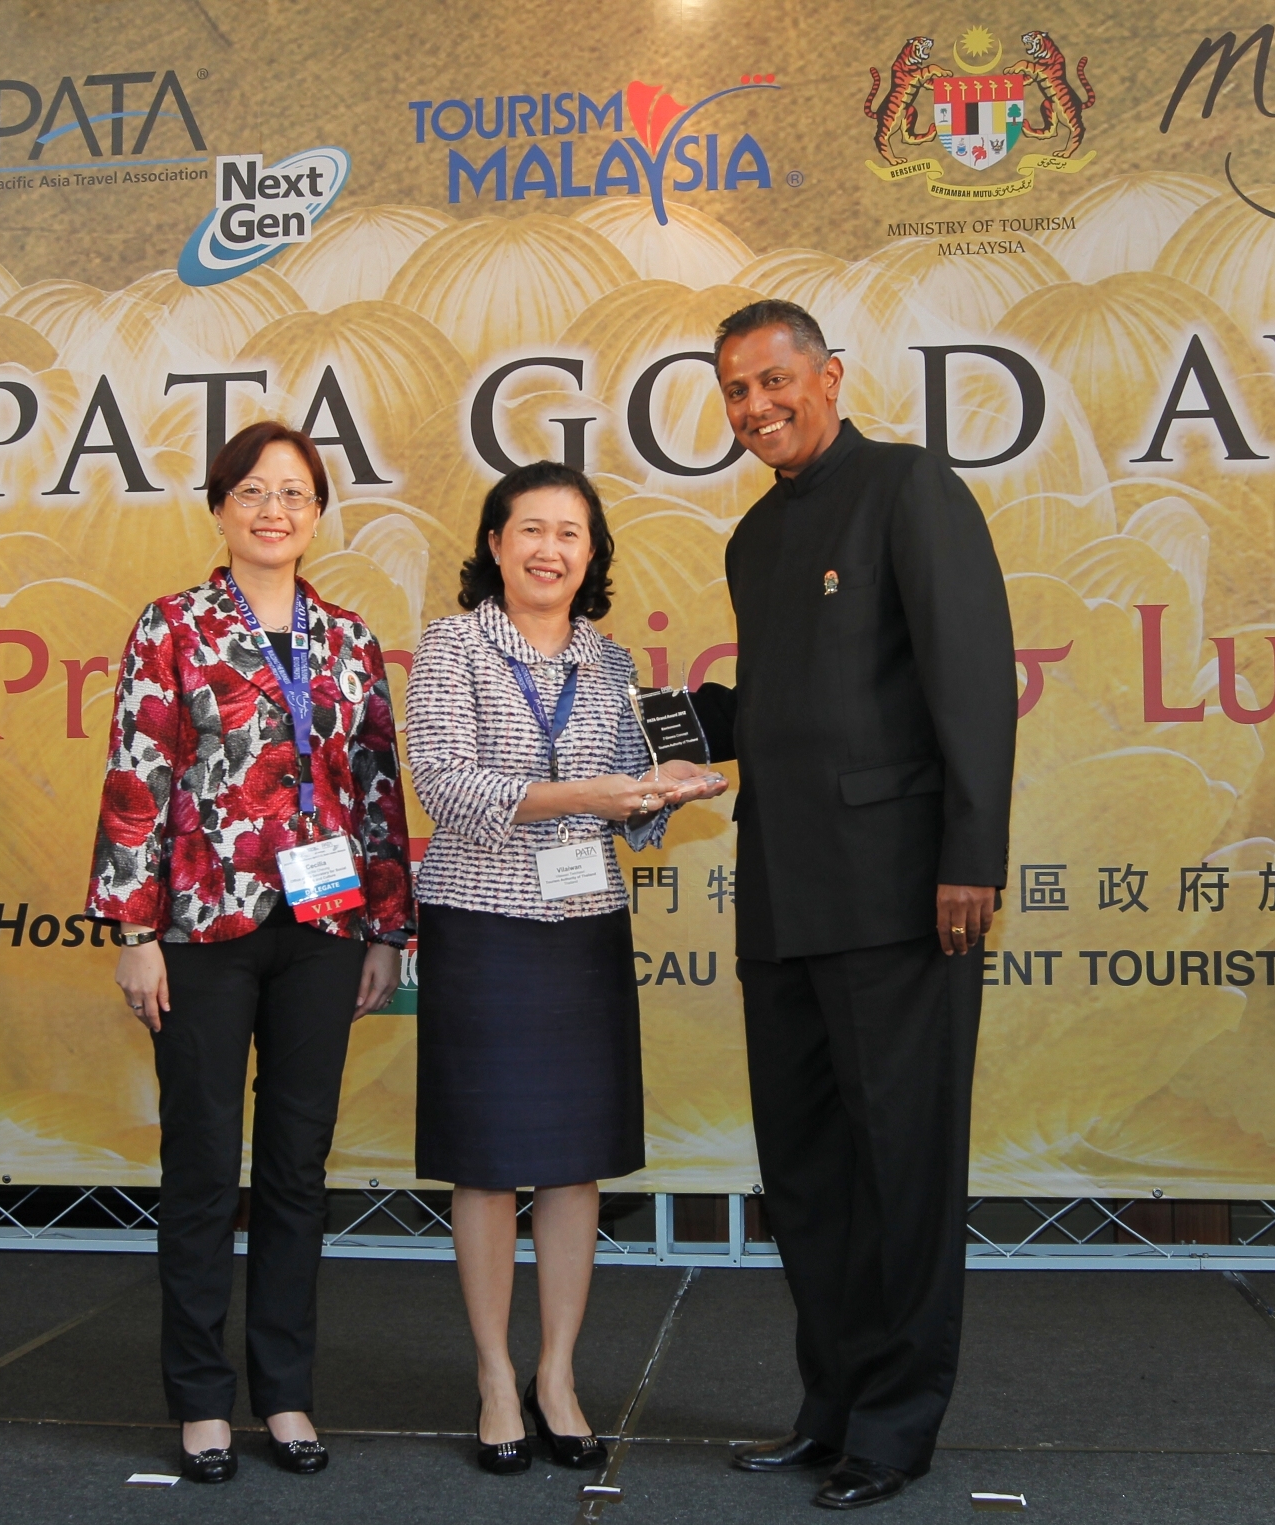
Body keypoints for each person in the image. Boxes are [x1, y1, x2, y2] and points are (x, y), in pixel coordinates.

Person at [687, 300, 1017, 1510]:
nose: (755, 408)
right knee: (809, 1173)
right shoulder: (752, 538)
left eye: (773, 381)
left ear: (828, 376)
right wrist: (670, 727)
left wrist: (970, 855)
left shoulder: (908, 488)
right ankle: (827, 1406)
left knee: (901, 1169)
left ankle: (894, 1423)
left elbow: (971, 678)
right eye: (735, 391)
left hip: (899, 897)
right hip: (780, 897)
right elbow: (786, 703)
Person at [87, 421, 413, 1485]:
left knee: (295, 1168)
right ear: (220, 507)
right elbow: (137, 774)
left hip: (325, 932)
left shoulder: (349, 637)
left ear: (318, 513)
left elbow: (376, 788)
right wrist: (136, 932)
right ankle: (199, 1400)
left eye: (295, 493)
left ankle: (284, 1392)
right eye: (254, 492)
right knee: (199, 1165)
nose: (275, 511)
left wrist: (387, 927)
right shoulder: (173, 624)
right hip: (200, 929)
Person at [404, 460, 726, 1475]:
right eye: (530, 529)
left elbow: (627, 816)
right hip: (480, 919)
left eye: (570, 534)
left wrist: (662, 793)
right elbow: (446, 787)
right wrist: (592, 792)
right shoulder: (452, 645)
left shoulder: (612, 661)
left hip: (584, 923)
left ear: (592, 556)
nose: (549, 550)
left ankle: (556, 1373)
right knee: (487, 1159)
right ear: (494, 544)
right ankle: (495, 1376)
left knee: (574, 1160)